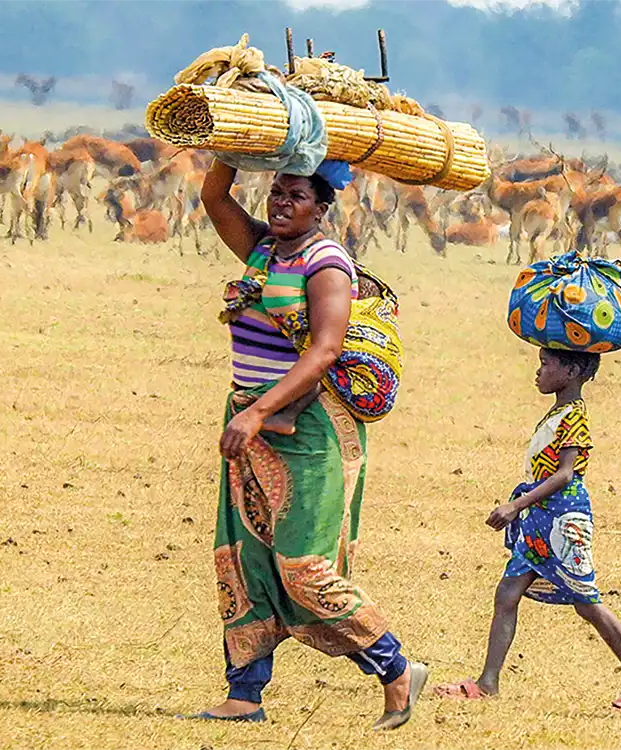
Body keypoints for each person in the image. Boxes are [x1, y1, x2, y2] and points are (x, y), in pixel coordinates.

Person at [184, 159, 427, 730]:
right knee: (244, 559)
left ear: (321, 209)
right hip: (249, 421)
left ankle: (396, 669)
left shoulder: (326, 265)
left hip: (308, 427)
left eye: (295, 195)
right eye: (275, 192)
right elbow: (215, 198)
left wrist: (259, 412)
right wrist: (236, 145)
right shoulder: (264, 252)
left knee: (302, 562)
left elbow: (322, 352)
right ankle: (244, 694)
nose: (280, 203)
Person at [434, 348, 621, 710]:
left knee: (586, 602)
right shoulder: (560, 411)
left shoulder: (575, 417)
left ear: (573, 370)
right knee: (507, 594)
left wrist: (516, 505)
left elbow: (565, 474)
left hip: (562, 517)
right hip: (541, 515)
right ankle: (488, 682)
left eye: (546, 365)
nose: (538, 372)